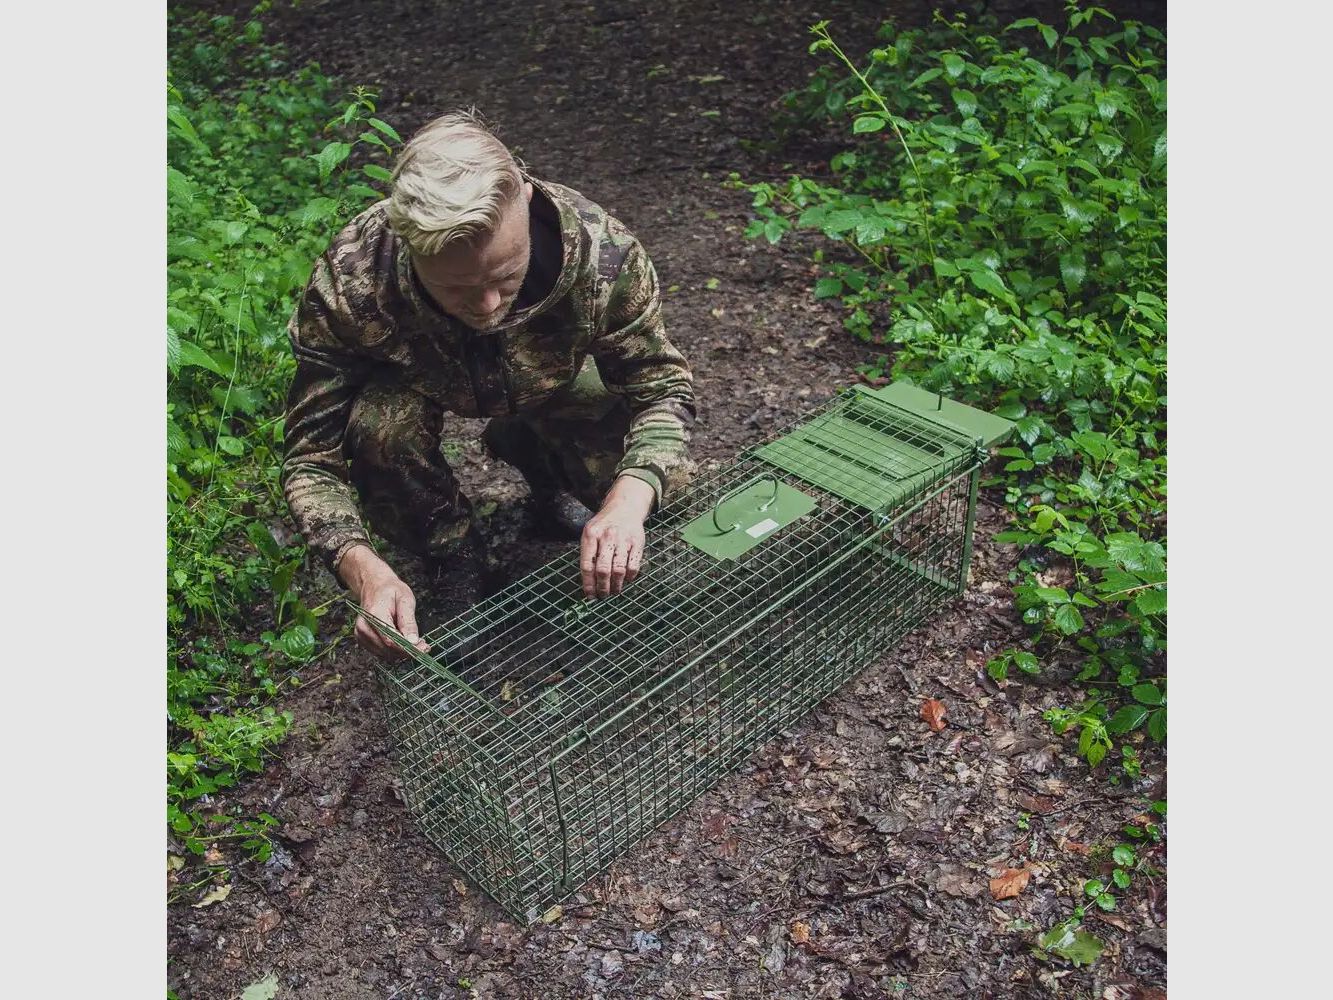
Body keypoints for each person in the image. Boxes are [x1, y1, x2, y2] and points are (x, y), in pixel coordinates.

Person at [281, 111, 697, 659]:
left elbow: (662, 386)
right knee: (380, 427)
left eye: (505, 276)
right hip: (422, 385)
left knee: (665, 490)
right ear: (408, 246)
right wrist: (362, 570)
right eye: (455, 289)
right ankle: (452, 553)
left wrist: (629, 497)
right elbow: (311, 457)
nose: (487, 308)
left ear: (523, 199)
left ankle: (545, 476)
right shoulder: (354, 279)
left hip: (554, 382)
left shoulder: (604, 255)